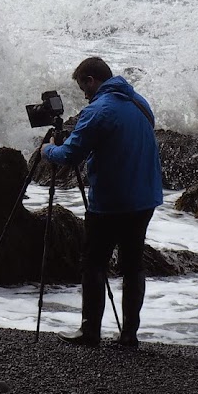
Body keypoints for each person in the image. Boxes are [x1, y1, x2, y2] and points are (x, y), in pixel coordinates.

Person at [37, 56, 163, 348]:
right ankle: (129, 334)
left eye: (83, 87)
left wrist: (47, 151)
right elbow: (119, 138)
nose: (83, 94)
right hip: (145, 197)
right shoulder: (140, 103)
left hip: (111, 200)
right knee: (133, 265)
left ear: (92, 80)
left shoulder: (99, 110)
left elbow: (69, 156)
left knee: (94, 262)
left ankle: (90, 330)